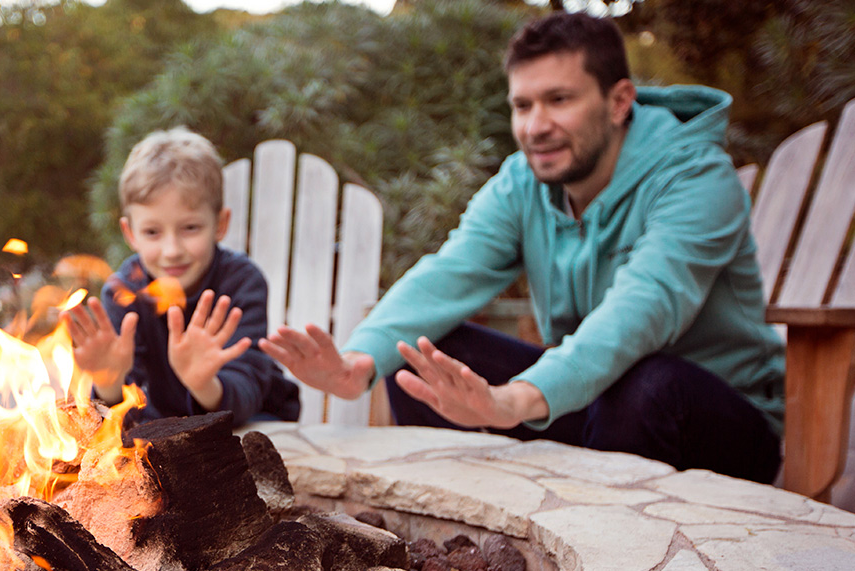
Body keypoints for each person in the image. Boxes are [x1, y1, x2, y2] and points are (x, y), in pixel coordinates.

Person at [260, 12, 784, 484]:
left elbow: (644, 307)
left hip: (719, 423)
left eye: (559, 100)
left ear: (619, 101)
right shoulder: (523, 183)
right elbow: (451, 271)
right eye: (522, 105)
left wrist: (514, 400)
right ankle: (467, 542)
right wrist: (357, 363)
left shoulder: (697, 177)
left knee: (647, 384)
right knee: (423, 358)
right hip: (596, 406)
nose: (535, 127)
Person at [65, 127, 301, 427]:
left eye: (190, 228)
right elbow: (120, 415)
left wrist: (203, 383)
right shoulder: (124, 292)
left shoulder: (241, 282)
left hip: (252, 425)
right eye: (152, 232)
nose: (172, 250)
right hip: (167, 433)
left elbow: (248, 387)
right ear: (130, 233)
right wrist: (109, 382)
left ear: (220, 224)